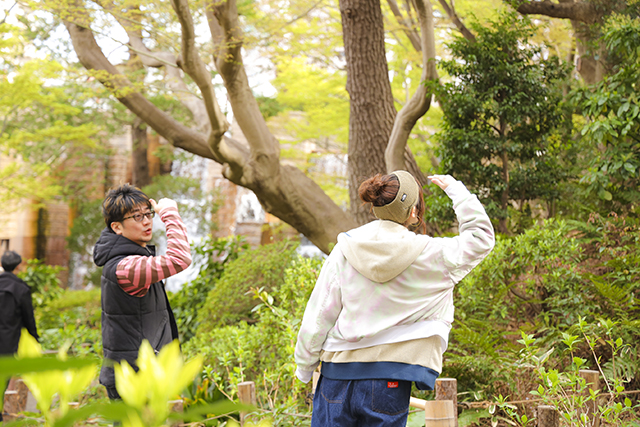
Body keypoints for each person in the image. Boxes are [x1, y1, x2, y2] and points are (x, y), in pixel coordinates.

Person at [294, 171, 495, 427]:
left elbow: (320, 313)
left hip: (336, 376)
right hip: (389, 379)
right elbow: (481, 238)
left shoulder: (344, 250)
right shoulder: (432, 255)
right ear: (413, 212)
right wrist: (457, 191)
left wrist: (304, 367)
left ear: (376, 208)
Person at [93, 184, 192, 400]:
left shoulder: (135, 257)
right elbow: (180, 259)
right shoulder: (127, 267)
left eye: (149, 214)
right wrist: (169, 214)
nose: (147, 222)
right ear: (117, 227)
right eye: (137, 217)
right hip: (134, 380)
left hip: (144, 374)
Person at [0, 250, 39, 422]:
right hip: (7, 341)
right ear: (18, 266)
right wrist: (35, 337)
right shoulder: (21, 288)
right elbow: (28, 318)